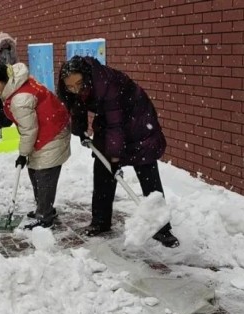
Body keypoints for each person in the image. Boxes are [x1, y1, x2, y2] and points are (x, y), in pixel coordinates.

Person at [57, 55, 179, 248]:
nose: (75, 89)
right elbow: (77, 106)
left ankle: (162, 229)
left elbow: (116, 125)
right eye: (70, 86)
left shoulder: (107, 83)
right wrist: (79, 130)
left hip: (138, 120)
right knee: (103, 171)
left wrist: (114, 157)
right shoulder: (77, 88)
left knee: (147, 172)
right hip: (110, 122)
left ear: (87, 77)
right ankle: (101, 221)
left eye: (79, 84)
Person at [0, 62, 71, 230]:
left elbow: (29, 130)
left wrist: (23, 154)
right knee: (35, 171)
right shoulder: (18, 84)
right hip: (48, 128)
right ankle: (43, 208)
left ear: (4, 80)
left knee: (44, 174)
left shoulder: (19, 99)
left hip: (52, 133)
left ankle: (45, 217)